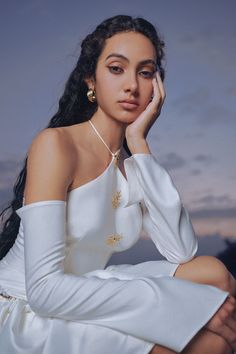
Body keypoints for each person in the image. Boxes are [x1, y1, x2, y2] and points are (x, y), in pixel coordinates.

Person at [0, 14, 235, 354]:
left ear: (157, 86)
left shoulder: (132, 161)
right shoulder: (57, 144)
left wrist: (138, 143)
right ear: (89, 79)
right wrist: (184, 306)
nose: (132, 85)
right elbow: (45, 291)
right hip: (26, 307)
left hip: (82, 289)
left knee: (213, 272)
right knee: (209, 343)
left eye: (145, 72)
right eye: (116, 68)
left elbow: (181, 252)